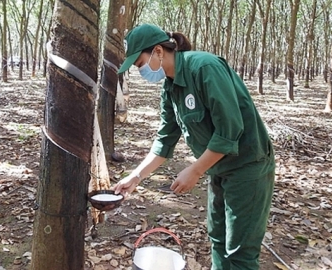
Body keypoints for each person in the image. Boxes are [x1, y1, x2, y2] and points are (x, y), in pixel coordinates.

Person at [113, 23, 275, 270]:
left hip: (247, 167)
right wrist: (136, 177)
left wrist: (195, 170)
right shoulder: (170, 88)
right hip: (218, 169)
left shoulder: (204, 68)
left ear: (158, 51)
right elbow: (165, 140)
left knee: (240, 252)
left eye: (139, 64)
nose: (140, 71)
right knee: (218, 239)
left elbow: (229, 130)